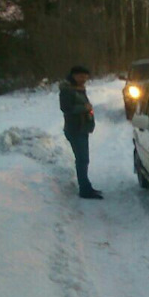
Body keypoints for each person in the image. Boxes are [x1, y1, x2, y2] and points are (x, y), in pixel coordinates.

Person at [59, 65, 102, 199]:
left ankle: (86, 186)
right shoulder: (67, 90)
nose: (84, 79)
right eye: (81, 76)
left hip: (82, 128)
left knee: (83, 159)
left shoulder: (78, 88)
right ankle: (84, 189)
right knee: (82, 159)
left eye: (86, 77)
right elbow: (66, 108)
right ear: (74, 75)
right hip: (75, 129)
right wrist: (84, 107)